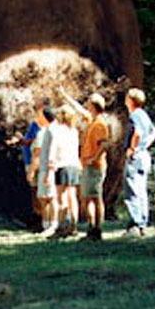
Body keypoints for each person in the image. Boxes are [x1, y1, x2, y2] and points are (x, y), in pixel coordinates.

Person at [61, 88, 110, 241]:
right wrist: (66, 96)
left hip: (94, 166)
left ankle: (97, 229)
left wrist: (93, 158)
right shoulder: (92, 120)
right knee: (87, 197)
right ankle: (91, 228)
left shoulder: (100, 124)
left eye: (88, 104)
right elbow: (80, 110)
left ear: (93, 106)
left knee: (94, 198)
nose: (86, 106)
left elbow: (104, 145)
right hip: (88, 164)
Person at [122, 88, 155, 237]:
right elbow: (154, 132)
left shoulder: (135, 115)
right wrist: (145, 146)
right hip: (144, 155)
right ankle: (142, 223)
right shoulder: (144, 115)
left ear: (131, 100)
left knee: (132, 190)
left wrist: (132, 148)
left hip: (136, 157)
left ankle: (136, 225)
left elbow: (137, 132)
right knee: (141, 190)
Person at [47, 105, 82, 238]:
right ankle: (73, 225)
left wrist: (51, 161)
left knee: (61, 198)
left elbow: (54, 147)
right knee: (72, 197)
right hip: (73, 164)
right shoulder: (74, 131)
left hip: (62, 165)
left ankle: (62, 226)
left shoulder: (58, 130)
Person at [34, 105, 58, 235]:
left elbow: (50, 151)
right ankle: (47, 223)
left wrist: (48, 171)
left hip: (48, 169)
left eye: (39, 115)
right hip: (47, 168)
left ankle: (50, 224)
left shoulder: (50, 131)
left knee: (49, 197)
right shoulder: (50, 130)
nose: (37, 118)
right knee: (45, 197)